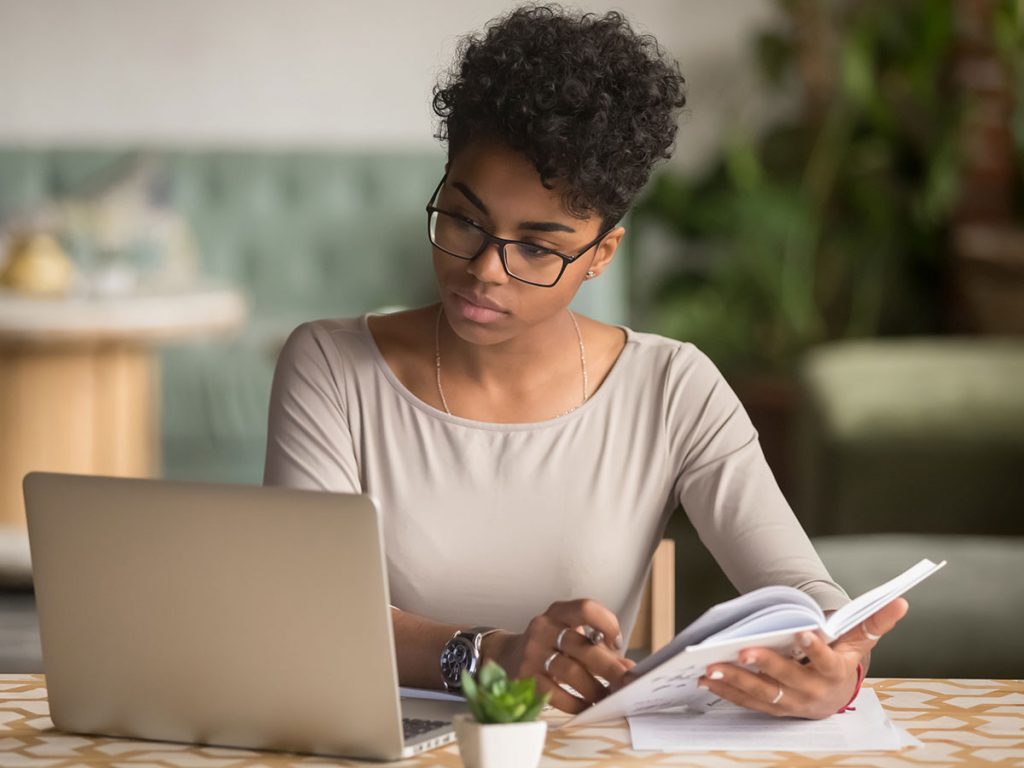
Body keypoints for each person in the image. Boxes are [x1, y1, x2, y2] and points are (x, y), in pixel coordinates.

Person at [263, 4, 907, 718]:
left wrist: (837, 664)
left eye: (537, 246)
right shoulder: (328, 366)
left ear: (601, 254)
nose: (485, 269)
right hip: (374, 746)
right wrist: (487, 656)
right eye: (463, 219)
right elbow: (302, 609)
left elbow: (799, 587)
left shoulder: (672, 387)